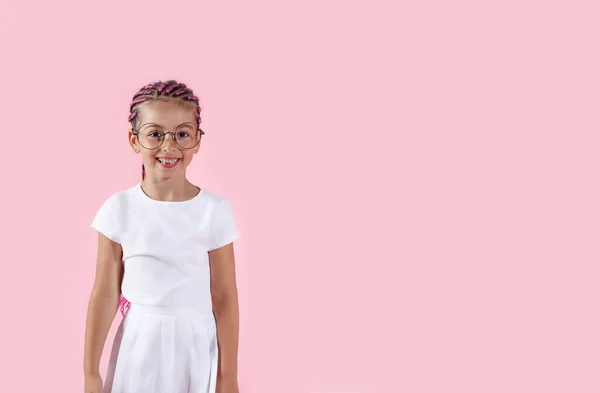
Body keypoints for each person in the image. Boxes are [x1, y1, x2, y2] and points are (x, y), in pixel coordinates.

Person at [83, 80, 241, 393]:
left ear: (196, 141)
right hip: (138, 347)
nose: (168, 147)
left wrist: (228, 376)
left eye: (182, 134)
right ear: (134, 140)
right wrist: (90, 373)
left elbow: (224, 298)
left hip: (197, 346)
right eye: (155, 133)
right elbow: (105, 292)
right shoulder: (120, 209)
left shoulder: (214, 211)